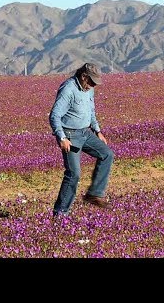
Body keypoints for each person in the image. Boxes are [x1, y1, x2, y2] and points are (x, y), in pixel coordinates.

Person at [49, 62, 114, 216]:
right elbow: (55, 115)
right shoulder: (69, 89)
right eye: (91, 81)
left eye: (95, 83)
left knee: (107, 154)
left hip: (86, 133)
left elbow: (91, 111)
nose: (93, 85)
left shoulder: (89, 89)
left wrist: (97, 131)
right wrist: (61, 137)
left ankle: (95, 193)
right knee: (74, 174)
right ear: (83, 77)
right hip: (70, 136)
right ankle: (60, 214)